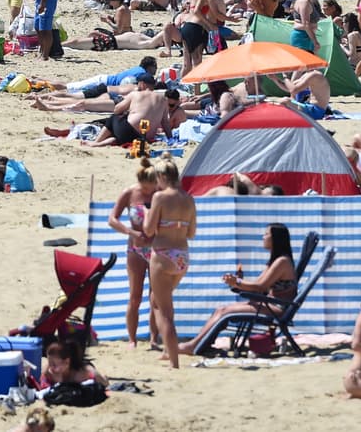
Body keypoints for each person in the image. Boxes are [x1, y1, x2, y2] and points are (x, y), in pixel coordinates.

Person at [178, 224, 296, 356]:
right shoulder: (276, 261)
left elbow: (260, 287)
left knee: (224, 311)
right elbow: (258, 285)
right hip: (269, 304)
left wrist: (238, 282)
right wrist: (238, 283)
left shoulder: (282, 262)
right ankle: (202, 344)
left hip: (277, 308)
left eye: (266, 234)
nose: (263, 237)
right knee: (220, 310)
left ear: (276, 239)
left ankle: (194, 345)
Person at [143, 158, 195, 369]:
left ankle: (174, 361)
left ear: (163, 177)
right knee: (158, 301)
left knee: (164, 310)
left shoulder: (160, 198)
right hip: (182, 255)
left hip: (163, 255)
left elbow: (148, 230)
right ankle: (167, 350)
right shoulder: (189, 199)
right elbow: (191, 233)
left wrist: (147, 214)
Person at [107, 160, 159, 348]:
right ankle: (132, 339)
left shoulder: (160, 194)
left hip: (156, 248)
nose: (147, 192)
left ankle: (154, 338)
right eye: (144, 188)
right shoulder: (129, 193)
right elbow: (112, 219)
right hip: (135, 248)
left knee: (156, 296)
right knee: (135, 295)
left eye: (150, 188)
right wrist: (130, 232)